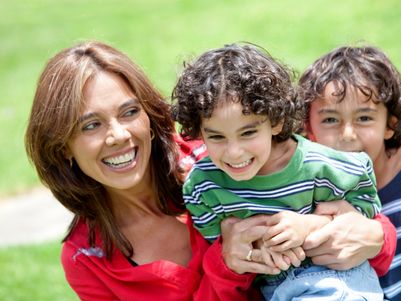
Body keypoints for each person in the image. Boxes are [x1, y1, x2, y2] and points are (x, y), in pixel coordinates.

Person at [24, 41, 281, 301]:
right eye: (91, 125)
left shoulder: (216, 157)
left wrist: (322, 227)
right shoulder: (85, 257)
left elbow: (307, 172)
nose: (118, 135)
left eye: (130, 112)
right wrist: (225, 265)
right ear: (62, 147)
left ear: (149, 115)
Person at [172, 43, 384, 300]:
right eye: (216, 137)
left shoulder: (320, 166)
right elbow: (219, 243)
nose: (234, 152)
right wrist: (255, 245)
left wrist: (310, 225)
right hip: (273, 290)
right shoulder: (203, 187)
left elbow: (366, 209)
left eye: (248, 132)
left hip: (337, 280)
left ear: (276, 121)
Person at [298, 45, 401, 301]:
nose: (347, 135)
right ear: (308, 129)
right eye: (330, 120)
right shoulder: (306, 193)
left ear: (390, 124)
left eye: (364, 118)